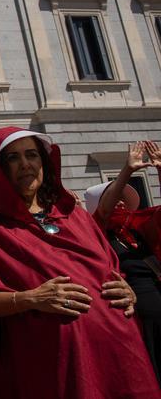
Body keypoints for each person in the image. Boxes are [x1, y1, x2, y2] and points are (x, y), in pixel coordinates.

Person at [0, 127, 159, 398]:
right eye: (13, 157)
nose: (25, 164)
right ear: (0, 169)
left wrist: (129, 292)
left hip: (120, 354)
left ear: (43, 162)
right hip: (56, 366)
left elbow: (111, 269)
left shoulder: (77, 216)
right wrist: (31, 298)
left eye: (31, 154)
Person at [83, 141, 161, 382]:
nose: (120, 202)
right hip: (135, 322)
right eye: (114, 196)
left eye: (122, 198)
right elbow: (104, 213)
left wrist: (160, 170)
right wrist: (127, 170)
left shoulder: (139, 230)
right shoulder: (97, 235)